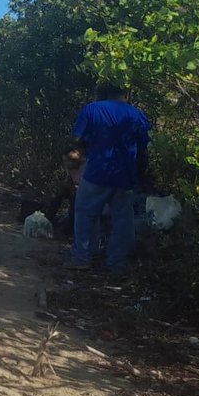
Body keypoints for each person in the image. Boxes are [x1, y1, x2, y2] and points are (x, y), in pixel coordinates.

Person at [68, 84, 151, 273]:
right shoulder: (136, 114)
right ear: (127, 93)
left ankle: (82, 257)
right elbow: (145, 145)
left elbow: (76, 140)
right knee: (123, 220)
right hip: (125, 177)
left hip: (96, 172)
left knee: (86, 214)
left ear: (106, 91)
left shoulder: (92, 109)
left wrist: (90, 147)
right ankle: (117, 264)